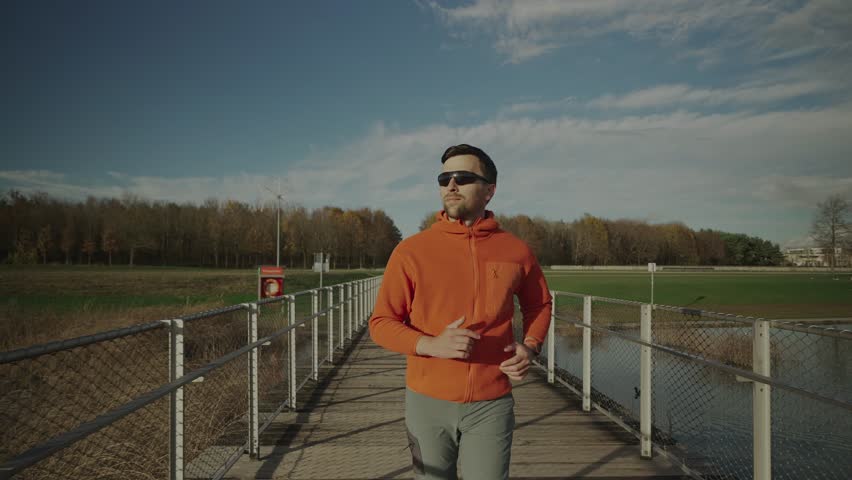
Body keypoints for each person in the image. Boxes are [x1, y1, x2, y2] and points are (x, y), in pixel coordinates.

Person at [368, 144, 553, 480]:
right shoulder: (411, 251)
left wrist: (531, 344)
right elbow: (381, 323)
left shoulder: (516, 251)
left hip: (492, 404)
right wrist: (430, 345)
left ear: (489, 191)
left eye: (463, 177)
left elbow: (539, 302)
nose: (450, 185)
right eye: (444, 178)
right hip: (427, 404)